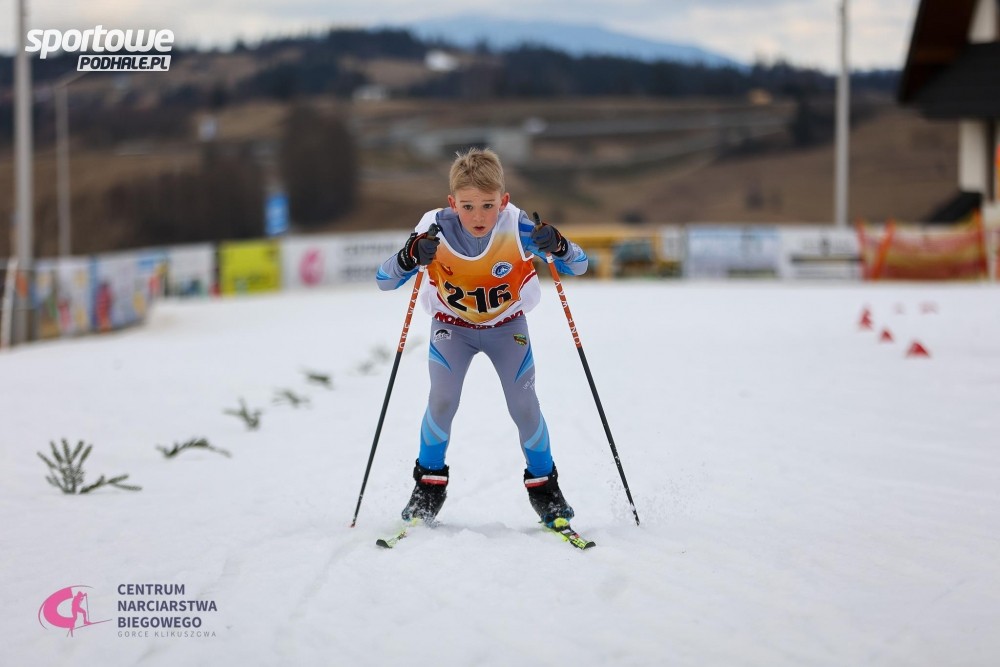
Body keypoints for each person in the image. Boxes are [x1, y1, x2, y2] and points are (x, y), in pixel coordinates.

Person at [376, 147, 589, 528]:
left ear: (503, 201)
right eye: (468, 206)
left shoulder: (519, 228)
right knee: (442, 400)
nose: (478, 216)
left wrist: (557, 244)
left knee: (524, 406)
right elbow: (384, 280)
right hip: (452, 327)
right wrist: (411, 255)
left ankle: (545, 490)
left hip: (506, 328)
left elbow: (580, 264)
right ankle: (428, 487)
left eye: (488, 206)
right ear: (452, 203)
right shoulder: (434, 228)